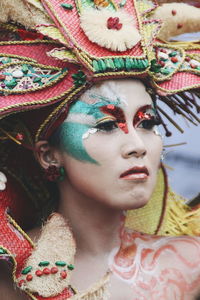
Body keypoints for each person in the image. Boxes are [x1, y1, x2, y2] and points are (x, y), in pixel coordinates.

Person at [0, 0, 200, 299]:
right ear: (48, 155)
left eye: (147, 123)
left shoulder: (189, 265)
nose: (136, 146)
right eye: (106, 126)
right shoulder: (10, 271)